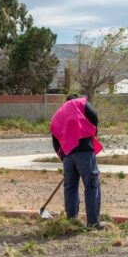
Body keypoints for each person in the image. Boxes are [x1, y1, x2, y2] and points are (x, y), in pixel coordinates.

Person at [50, 94, 105, 230]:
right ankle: (92, 223)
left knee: (70, 187)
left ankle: (72, 221)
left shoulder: (59, 113)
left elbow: (55, 139)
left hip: (68, 156)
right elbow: (94, 115)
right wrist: (94, 131)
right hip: (85, 152)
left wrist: (65, 157)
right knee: (92, 185)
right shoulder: (80, 103)